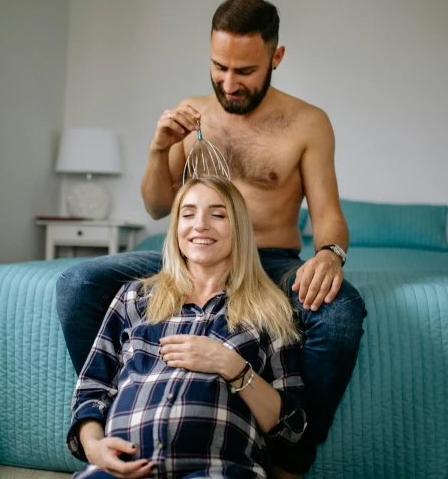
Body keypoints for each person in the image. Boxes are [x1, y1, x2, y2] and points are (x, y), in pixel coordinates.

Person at [58, 0, 366, 477]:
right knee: (76, 284)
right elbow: (159, 205)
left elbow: (328, 214)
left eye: (244, 70)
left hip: (270, 259)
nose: (229, 82)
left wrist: (329, 253)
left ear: (276, 58)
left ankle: (289, 458)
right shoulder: (192, 114)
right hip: (186, 256)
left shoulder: (307, 122)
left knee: (341, 312)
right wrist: (159, 151)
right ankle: (120, 417)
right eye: (219, 66)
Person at [68, 177, 306, 478]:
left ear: (240, 230)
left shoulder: (270, 310)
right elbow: (92, 389)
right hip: (121, 470)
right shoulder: (134, 297)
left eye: (218, 214)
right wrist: (94, 447)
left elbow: (292, 424)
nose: (200, 225)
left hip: (217, 471)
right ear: (177, 228)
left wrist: (231, 366)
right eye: (188, 213)